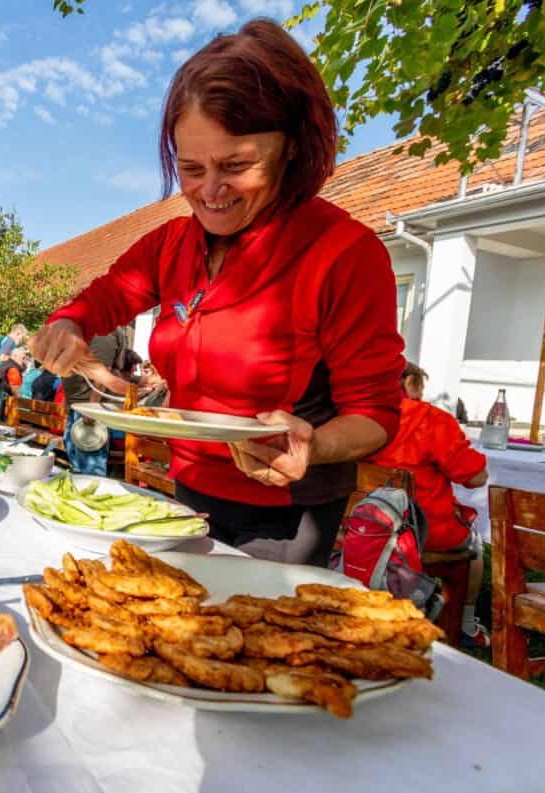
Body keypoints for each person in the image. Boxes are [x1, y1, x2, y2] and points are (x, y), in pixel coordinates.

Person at [30, 20, 404, 566]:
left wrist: (314, 444)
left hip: (286, 516)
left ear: (293, 148)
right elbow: (105, 297)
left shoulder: (345, 253)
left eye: (236, 166)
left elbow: (375, 414)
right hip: (186, 494)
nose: (209, 192)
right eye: (190, 168)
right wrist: (68, 324)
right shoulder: (171, 244)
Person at [370, 363, 490, 647]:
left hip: (363, 523)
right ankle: (466, 624)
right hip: (422, 530)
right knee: (474, 544)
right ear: (409, 382)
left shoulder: (355, 419)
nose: (422, 395)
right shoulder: (429, 419)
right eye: (421, 387)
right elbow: (475, 478)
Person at [61, 328, 129, 477]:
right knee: (77, 465)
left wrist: (92, 408)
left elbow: (102, 373)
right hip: (78, 406)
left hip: (90, 408)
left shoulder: (104, 331)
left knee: (91, 470)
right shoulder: (86, 329)